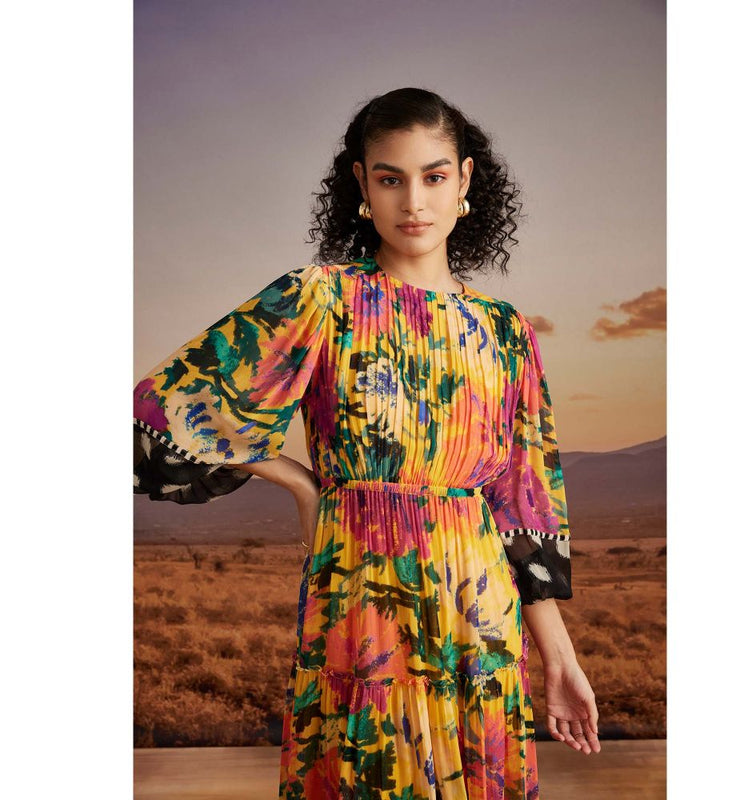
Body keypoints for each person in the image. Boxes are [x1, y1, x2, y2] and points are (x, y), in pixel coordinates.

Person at [133, 87, 600, 798]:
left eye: (433, 177)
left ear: (465, 181)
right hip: (361, 600)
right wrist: (299, 481)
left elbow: (521, 511)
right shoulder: (322, 298)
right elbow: (166, 408)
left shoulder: (507, 332)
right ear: (362, 184)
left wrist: (560, 661)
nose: (413, 201)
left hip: (480, 618)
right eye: (390, 178)